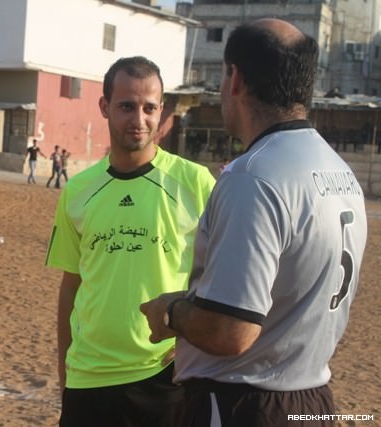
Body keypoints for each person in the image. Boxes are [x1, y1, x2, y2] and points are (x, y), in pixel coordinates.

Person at [140, 19, 368, 426]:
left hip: (244, 404)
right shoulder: (338, 171)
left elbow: (232, 332)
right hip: (312, 399)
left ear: (235, 79)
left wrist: (171, 311)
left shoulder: (254, 176)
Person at [46, 56, 216, 426]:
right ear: (105, 107)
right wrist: (65, 376)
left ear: (162, 110)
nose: (139, 120)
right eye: (126, 106)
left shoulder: (196, 183)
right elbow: (69, 288)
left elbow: (226, 275)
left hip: (165, 377)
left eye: (149, 108)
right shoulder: (77, 190)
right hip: (88, 379)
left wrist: (192, 336)